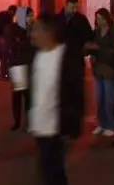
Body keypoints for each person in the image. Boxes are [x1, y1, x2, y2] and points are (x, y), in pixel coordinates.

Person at [28, 14, 84, 185]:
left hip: (56, 128)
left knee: (52, 173)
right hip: (40, 126)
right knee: (51, 171)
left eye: (36, 30)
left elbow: (76, 94)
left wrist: (72, 127)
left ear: (49, 32)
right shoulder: (36, 56)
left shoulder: (67, 58)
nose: (32, 34)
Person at [87, 8, 114, 137]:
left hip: (110, 69)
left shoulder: (113, 32)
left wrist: (99, 48)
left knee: (109, 99)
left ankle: (111, 125)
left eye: (101, 18)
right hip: (98, 68)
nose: (99, 21)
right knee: (100, 98)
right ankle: (101, 123)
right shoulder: (97, 31)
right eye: (97, 18)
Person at [6, 6, 35, 131]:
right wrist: (25, 43)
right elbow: (15, 45)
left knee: (29, 95)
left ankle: (29, 121)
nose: (31, 18)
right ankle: (17, 121)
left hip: (29, 65)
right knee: (18, 94)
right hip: (18, 65)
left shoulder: (33, 29)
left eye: (32, 15)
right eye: (29, 16)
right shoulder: (13, 29)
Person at [0, 5, 17, 79]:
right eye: (14, 13)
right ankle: (3, 75)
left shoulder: (0, 15)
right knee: (4, 57)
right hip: (3, 38)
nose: (14, 15)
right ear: (12, 11)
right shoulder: (8, 17)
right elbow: (8, 29)